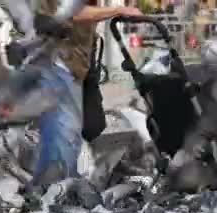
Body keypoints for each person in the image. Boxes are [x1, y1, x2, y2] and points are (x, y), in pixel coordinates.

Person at [30, 2, 143, 185]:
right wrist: (119, 10)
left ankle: (108, 170)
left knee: (94, 125)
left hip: (82, 62)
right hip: (59, 63)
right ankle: (48, 184)